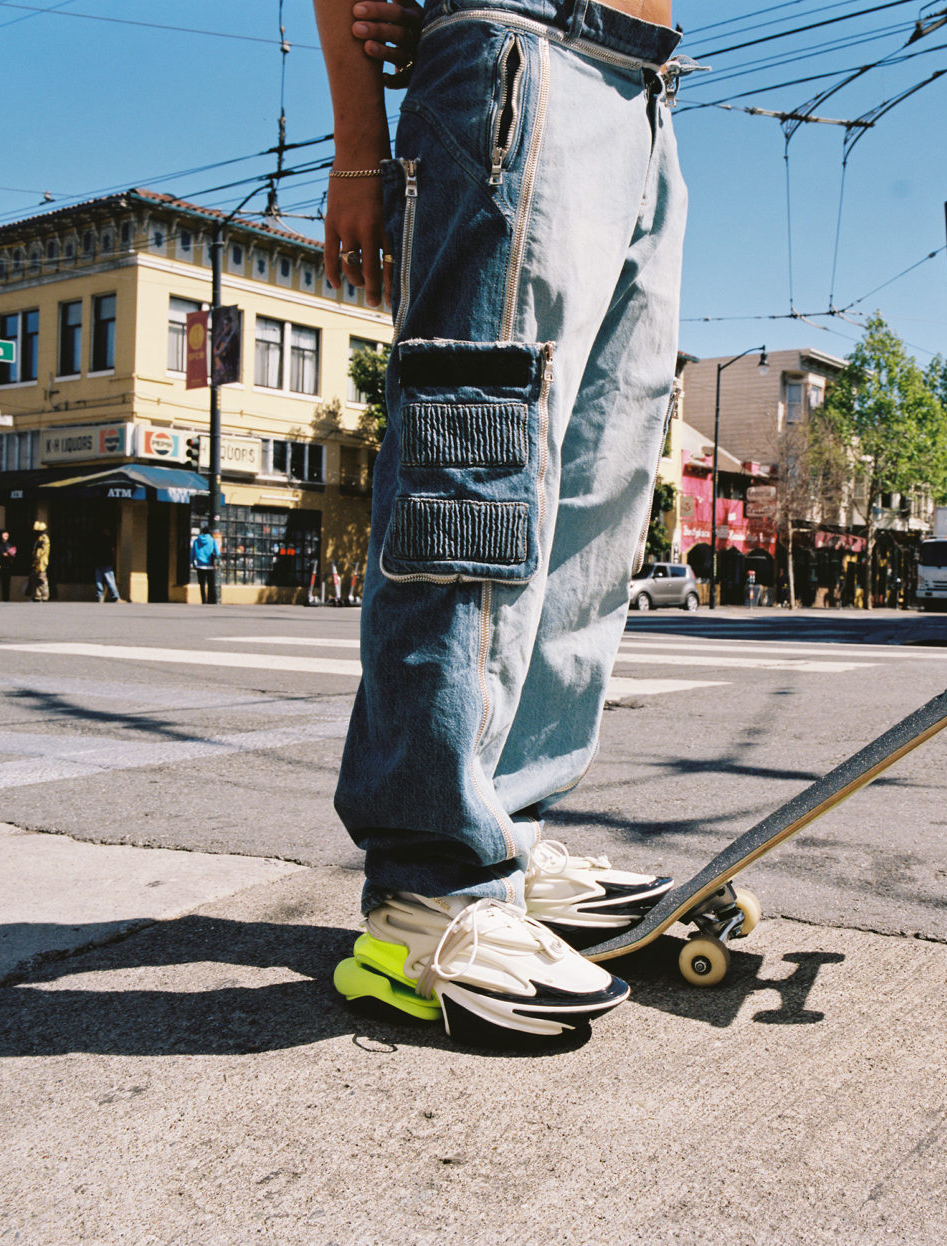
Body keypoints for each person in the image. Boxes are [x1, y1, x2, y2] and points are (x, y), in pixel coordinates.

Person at [318, 0, 685, 1044]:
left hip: (644, 91)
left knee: (595, 495)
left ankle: (509, 833)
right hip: (517, 56)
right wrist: (357, 152)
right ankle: (432, 889)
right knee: (476, 470)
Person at [92, 526, 123, 603]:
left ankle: (100, 596)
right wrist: (113, 560)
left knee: (98, 580)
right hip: (106, 562)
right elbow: (112, 551)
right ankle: (115, 596)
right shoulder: (108, 540)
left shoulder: (96, 540)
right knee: (110, 580)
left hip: (98, 562)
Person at [190, 523, 218, 604]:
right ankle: (210, 600)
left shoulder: (196, 541)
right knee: (210, 583)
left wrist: (193, 562)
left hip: (200, 565)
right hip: (210, 565)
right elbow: (217, 552)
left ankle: (203, 600)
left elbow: (192, 553)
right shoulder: (212, 540)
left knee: (202, 584)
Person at [27, 520, 51, 603]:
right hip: (40, 562)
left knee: (42, 579)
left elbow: (39, 552)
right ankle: (37, 595)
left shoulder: (42, 539)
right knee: (36, 579)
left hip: (41, 563)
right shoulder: (42, 538)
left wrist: (35, 560)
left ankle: (44, 596)